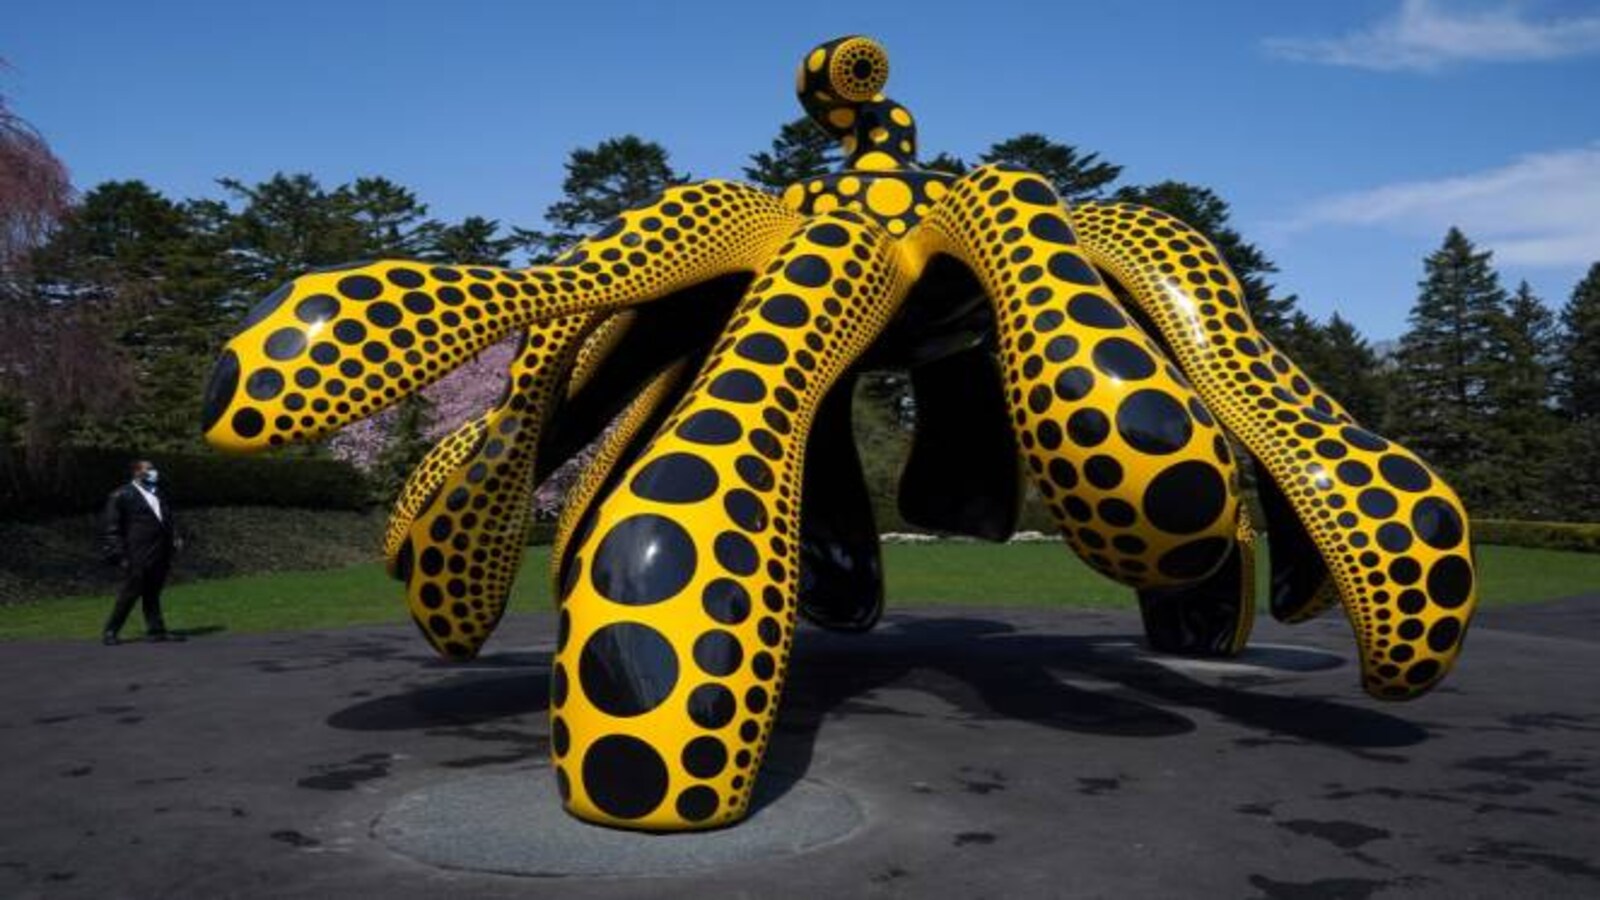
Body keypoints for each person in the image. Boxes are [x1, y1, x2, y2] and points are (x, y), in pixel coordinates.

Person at [99, 459, 184, 645]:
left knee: (153, 592)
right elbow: (111, 528)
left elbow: (167, 518)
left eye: (153, 468)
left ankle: (156, 630)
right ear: (137, 472)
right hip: (136, 552)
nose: (153, 472)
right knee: (130, 592)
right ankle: (111, 631)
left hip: (160, 551)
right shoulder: (121, 495)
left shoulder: (158, 493)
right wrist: (119, 554)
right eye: (148, 469)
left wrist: (175, 536)